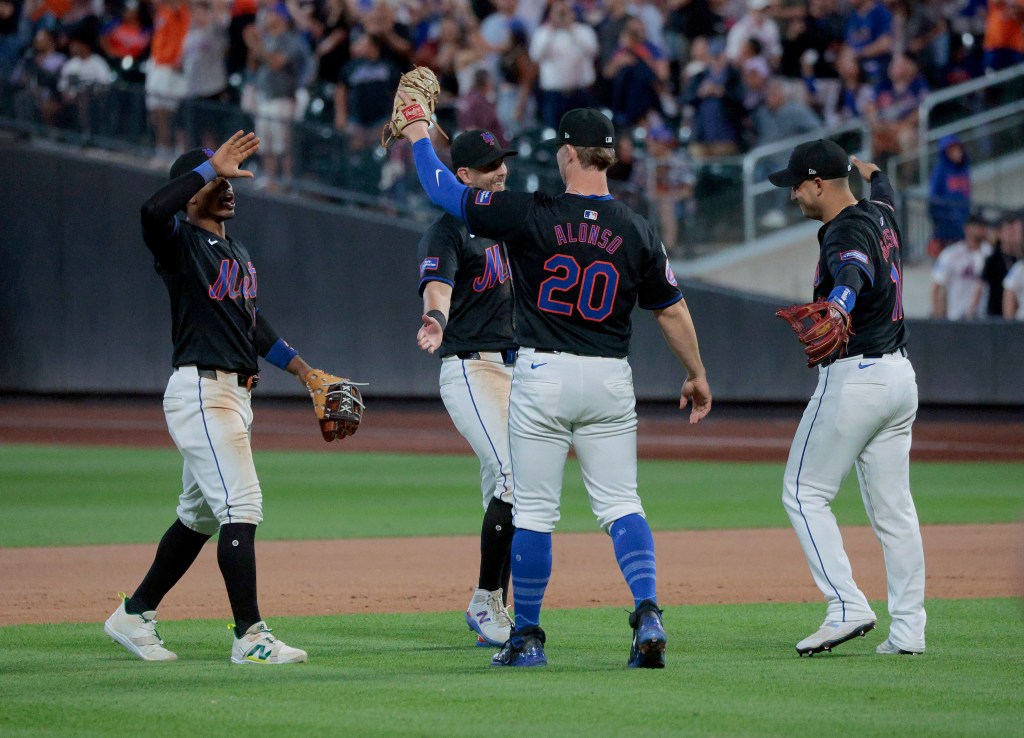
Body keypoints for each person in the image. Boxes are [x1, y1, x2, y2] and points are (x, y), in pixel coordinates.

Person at [402, 105, 712, 668]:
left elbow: (441, 190)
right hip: (611, 376)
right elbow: (672, 312)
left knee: (536, 511)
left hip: (541, 374)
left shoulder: (532, 212)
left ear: (567, 152)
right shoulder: (637, 228)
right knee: (623, 504)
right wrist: (696, 373)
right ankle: (647, 612)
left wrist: (419, 132)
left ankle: (526, 638)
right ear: (610, 156)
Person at [104, 132, 340, 665]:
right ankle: (250, 636)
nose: (230, 189)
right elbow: (150, 210)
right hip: (202, 390)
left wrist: (303, 371)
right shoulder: (179, 242)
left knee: (199, 518)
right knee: (243, 505)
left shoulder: (236, 250)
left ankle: (134, 613)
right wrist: (210, 166)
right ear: (194, 194)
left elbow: (250, 324)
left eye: (231, 182)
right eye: (219, 184)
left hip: (235, 394)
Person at [767, 139, 925, 657]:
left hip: (856, 381)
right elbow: (886, 193)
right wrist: (873, 172)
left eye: (797, 184)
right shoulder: (878, 212)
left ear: (818, 184)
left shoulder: (844, 230)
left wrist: (839, 302)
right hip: (899, 380)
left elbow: (853, 268)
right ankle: (908, 632)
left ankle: (845, 606)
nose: (792, 194)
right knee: (894, 513)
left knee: (802, 492)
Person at [415, 129, 520, 648]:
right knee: (511, 478)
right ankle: (484, 601)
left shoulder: (509, 225)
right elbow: (438, 285)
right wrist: (435, 316)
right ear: (464, 178)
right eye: (490, 165)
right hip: (470, 368)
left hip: (517, 371)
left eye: (503, 162)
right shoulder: (448, 230)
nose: (501, 171)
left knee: (509, 491)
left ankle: (495, 609)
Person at [931, 213, 992, 320]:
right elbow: (937, 286)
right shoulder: (951, 254)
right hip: (956, 316)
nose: (980, 230)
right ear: (967, 228)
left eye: (983, 227)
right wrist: (938, 315)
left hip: (984, 317)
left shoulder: (989, 254)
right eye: (977, 226)